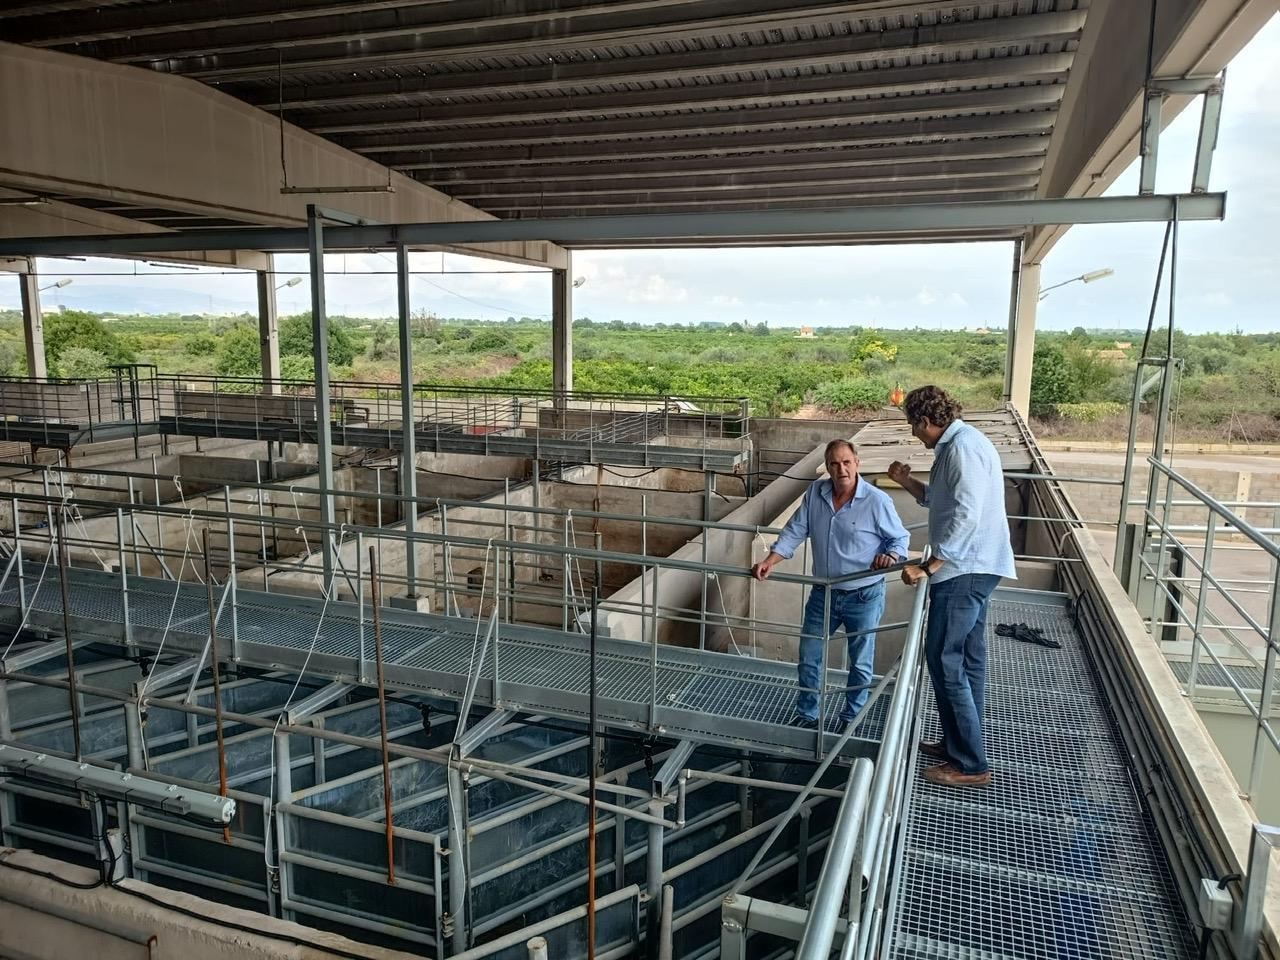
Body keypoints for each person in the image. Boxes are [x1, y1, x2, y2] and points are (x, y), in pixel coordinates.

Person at [889, 386, 1015, 788]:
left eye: (913, 425)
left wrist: (930, 566)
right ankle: (958, 744)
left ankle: (970, 764)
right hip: (975, 567)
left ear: (925, 421)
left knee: (944, 659)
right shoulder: (959, 445)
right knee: (966, 660)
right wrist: (906, 483)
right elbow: (941, 502)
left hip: (964, 570)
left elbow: (967, 514)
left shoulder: (961, 449)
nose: (913, 435)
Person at [752, 439, 910, 730]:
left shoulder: (877, 501)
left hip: (863, 594)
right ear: (827, 467)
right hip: (823, 592)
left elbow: (899, 539)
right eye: (834, 464)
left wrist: (891, 556)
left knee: (860, 662)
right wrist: (770, 560)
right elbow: (796, 529)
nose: (841, 469)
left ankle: (851, 718)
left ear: (857, 463)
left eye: (847, 462)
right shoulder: (816, 492)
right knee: (810, 655)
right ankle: (808, 714)